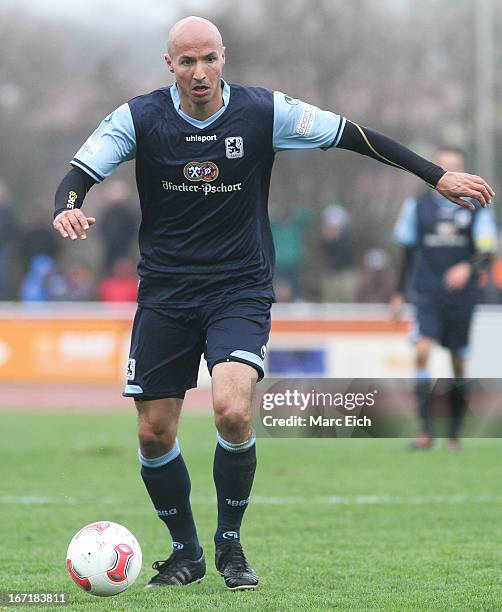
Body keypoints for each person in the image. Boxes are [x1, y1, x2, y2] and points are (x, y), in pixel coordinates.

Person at [52, 17, 494, 590]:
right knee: (154, 433)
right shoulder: (140, 118)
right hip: (166, 291)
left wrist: (436, 177)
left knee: (233, 410)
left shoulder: (265, 112)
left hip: (240, 286)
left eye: (209, 59)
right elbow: (77, 174)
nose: (200, 72)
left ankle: (230, 546)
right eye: (187, 62)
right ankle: (185, 554)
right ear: (169, 66)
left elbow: (353, 134)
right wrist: (68, 205)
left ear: (224, 57)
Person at [390, 146, 497, 450]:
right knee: (422, 352)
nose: (451, 171)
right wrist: (398, 293)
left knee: (458, 363)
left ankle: (453, 435)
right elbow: (408, 252)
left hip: (462, 298)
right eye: (444, 166)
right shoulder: (417, 206)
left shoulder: (478, 207)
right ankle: (425, 432)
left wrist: (467, 266)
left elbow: (488, 251)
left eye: (456, 166)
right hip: (427, 293)